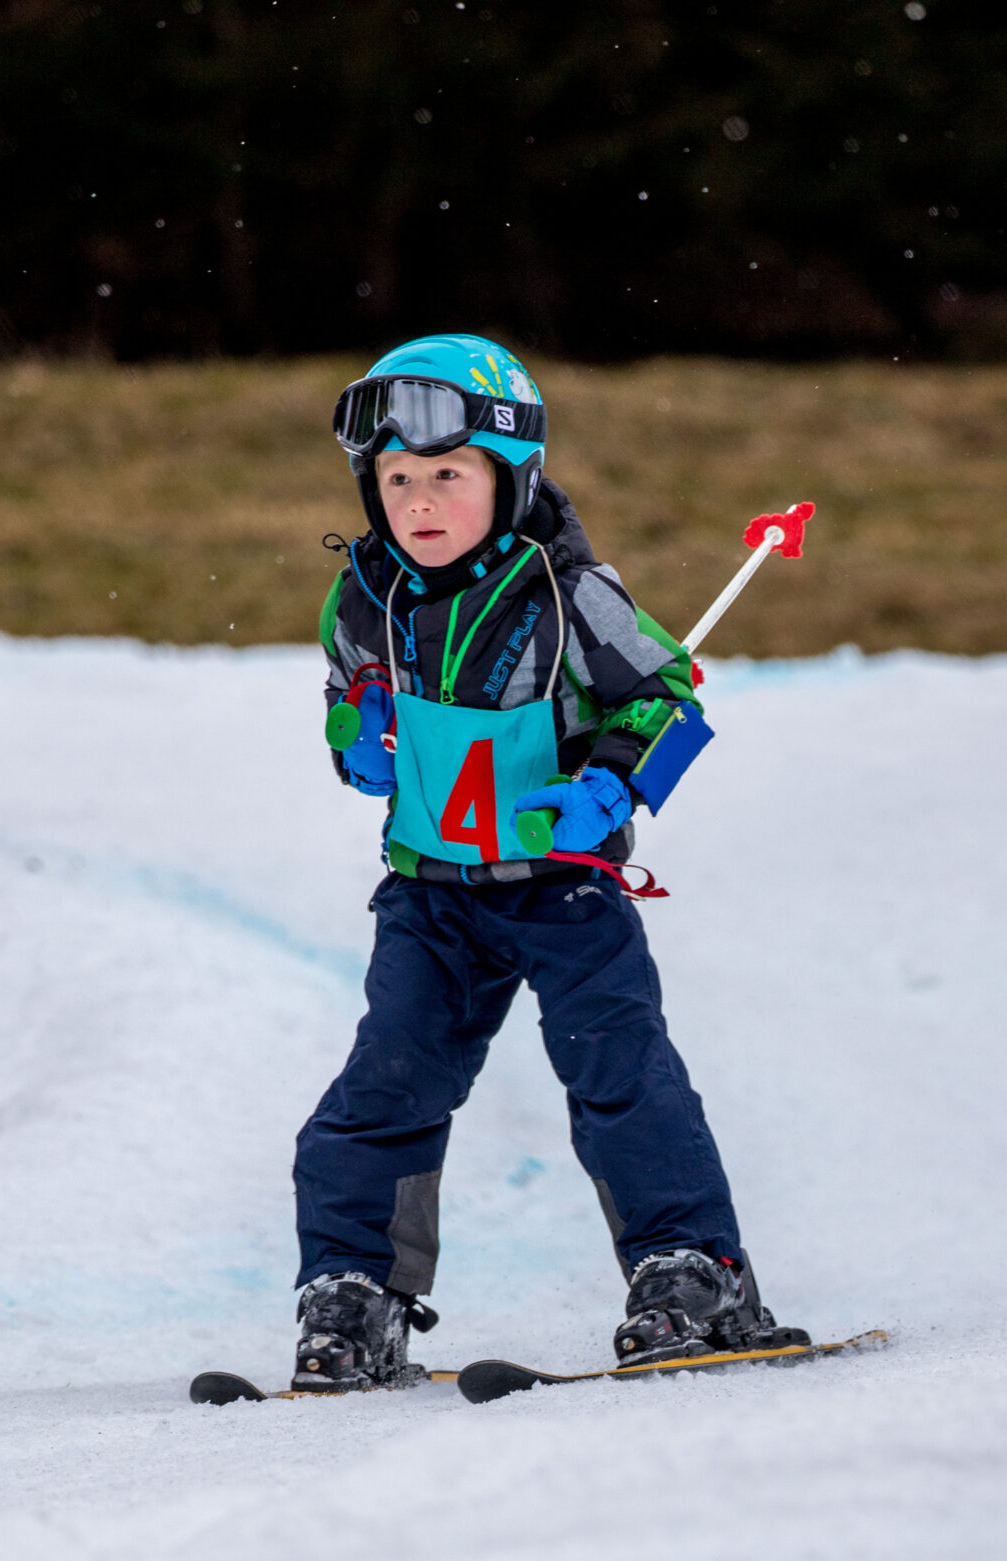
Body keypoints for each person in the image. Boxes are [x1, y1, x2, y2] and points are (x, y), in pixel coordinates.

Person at [289, 333, 806, 1392]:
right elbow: (349, 728)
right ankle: (353, 1292)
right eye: (395, 480)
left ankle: (692, 1270)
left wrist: (612, 783)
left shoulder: (571, 596)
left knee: (619, 1076)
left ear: (508, 474)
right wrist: (358, 737)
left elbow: (668, 703)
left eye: (446, 475)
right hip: (432, 897)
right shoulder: (361, 601)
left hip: (564, 892)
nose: (418, 502)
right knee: (382, 1086)